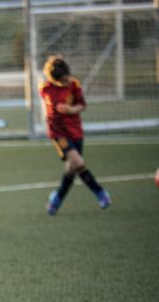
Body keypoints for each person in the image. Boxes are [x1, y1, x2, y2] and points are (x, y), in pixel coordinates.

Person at [39, 55, 111, 215]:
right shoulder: (45, 89)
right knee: (78, 162)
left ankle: (56, 199)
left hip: (75, 131)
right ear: (54, 80)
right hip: (59, 134)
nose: (66, 82)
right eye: (62, 81)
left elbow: (82, 105)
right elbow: (47, 110)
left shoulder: (74, 84)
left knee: (72, 169)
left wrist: (72, 110)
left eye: (67, 79)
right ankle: (101, 193)